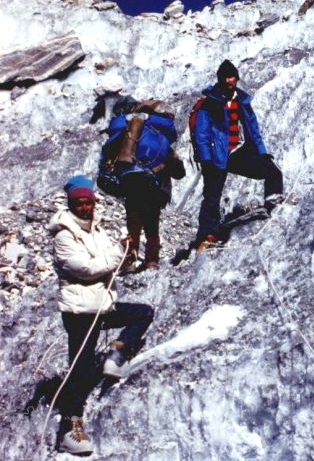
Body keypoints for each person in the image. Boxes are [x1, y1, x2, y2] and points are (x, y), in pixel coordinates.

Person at [48, 175, 154, 455]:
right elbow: (85, 268)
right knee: (80, 369)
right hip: (80, 312)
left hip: (101, 306)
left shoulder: (95, 230)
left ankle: (116, 354)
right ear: (71, 204)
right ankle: (69, 429)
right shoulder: (63, 235)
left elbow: (107, 260)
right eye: (80, 203)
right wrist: (119, 251)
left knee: (142, 313)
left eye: (88, 202)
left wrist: (121, 253)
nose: (85, 207)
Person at [191, 60, 284, 250]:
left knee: (271, 170)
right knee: (212, 196)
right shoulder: (210, 102)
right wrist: (205, 157)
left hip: (237, 151)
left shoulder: (241, 99)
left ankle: (274, 202)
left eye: (232, 77)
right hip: (216, 155)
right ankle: (207, 235)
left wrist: (262, 152)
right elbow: (201, 132)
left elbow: (253, 128)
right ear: (221, 79)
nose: (230, 80)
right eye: (226, 77)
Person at [102, 99, 186, 272]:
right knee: (151, 225)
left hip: (131, 183)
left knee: (133, 224)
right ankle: (151, 261)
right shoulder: (161, 141)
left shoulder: (131, 135)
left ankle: (129, 259)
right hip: (154, 188)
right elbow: (179, 173)